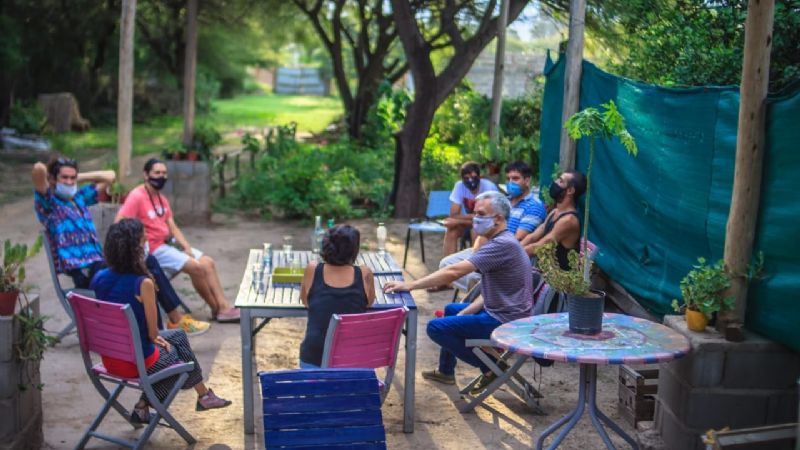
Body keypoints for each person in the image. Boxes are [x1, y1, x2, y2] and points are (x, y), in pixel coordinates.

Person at [32, 156, 209, 335]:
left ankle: (164, 326)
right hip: (84, 272)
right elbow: (39, 168)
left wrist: (77, 177)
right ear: (53, 179)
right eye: (65, 178)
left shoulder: (79, 198)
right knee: (145, 266)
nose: (69, 182)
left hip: (100, 263)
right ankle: (169, 323)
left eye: (72, 178)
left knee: (148, 262)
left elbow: (110, 176)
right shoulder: (50, 204)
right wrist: (59, 175)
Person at [383, 191, 533, 389]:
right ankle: (446, 371)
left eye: (480, 214)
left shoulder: (501, 245)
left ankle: (491, 368)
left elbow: (454, 271)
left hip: (505, 322)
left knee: (436, 327)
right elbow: (488, 292)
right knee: (451, 310)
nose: (475, 219)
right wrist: (463, 312)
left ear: (497, 218)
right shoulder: (501, 241)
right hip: (502, 311)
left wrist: (411, 284)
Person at [90, 219, 231, 422]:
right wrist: (157, 338)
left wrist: (157, 338)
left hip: (110, 357)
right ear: (136, 249)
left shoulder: (99, 278)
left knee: (178, 335)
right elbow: (153, 333)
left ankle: (204, 395)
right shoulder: (143, 283)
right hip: (134, 362)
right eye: (143, 241)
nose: (147, 243)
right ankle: (144, 405)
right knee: (178, 361)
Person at [116, 159, 239, 323]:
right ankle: (216, 308)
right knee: (197, 267)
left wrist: (186, 246)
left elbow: (173, 227)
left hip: (168, 244)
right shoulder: (137, 196)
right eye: (157, 173)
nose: (161, 176)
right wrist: (138, 238)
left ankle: (223, 306)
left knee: (207, 262)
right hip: (154, 249)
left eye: (164, 173)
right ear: (146, 175)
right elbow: (119, 222)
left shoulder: (161, 198)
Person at [436, 161, 547, 291]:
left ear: (527, 180)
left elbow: (517, 239)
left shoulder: (533, 206)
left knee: (472, 278)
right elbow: (486, 227)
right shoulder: (504, 201)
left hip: (503, 253)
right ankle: (479, 294)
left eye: (515, 178)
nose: (510, 182)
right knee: (445, 264)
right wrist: (479, 250)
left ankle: (480, 297)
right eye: (508, 178)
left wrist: (483, 254)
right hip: (485, 248)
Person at [298, 225, 375, 368]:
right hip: (353, 362)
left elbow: (306, 302)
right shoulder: (364, 273)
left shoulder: (313, 269)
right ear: (355, 249)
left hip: (314, 360)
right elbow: (368, 304)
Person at [520, 170, 586, 270]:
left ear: (570, 191)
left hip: (560, 280)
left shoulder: (568, 221)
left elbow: (539, 246)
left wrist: (511, 255)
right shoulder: (555, 211)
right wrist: (514, 248)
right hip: (548, 272)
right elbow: (532, 237)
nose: (555, 182)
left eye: (560, 181)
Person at [441, 161, 498, 258]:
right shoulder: (459, 186)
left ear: (480, 177)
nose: (470, 181)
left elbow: (486, 218)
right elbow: (453, 214)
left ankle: (474, 267)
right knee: (451, 230)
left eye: (473, 177)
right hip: (470, 223)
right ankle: (448, 267)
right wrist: (472, 217)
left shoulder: (489, 187)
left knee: (476, 230)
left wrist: (457, 221)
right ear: (462, 179)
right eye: (466, 178)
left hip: (488, 225)